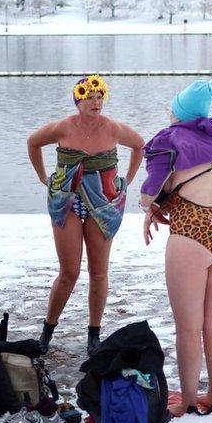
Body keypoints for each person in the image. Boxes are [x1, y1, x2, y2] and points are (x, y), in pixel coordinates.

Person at [140, 79, 212, 417]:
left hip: (192, 231)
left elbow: (149, 192)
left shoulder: (168, 141)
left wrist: (150, 207)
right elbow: (204, 184)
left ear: (177, 112)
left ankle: (185, 401)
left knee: (188, 326)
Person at [27, 75, 144, 355]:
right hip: (67, 201)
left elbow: (140, 145)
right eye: (89, 97)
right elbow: (32, 142)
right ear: (78, 100)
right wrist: (44, 177)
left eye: (99, 96)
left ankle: (94, 334)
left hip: (103, 204)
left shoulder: (113, 128)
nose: (95, 102)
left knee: (98, 272)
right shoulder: (62, 127)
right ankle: (48, 329)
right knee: (69, 272)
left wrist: (126, 179)